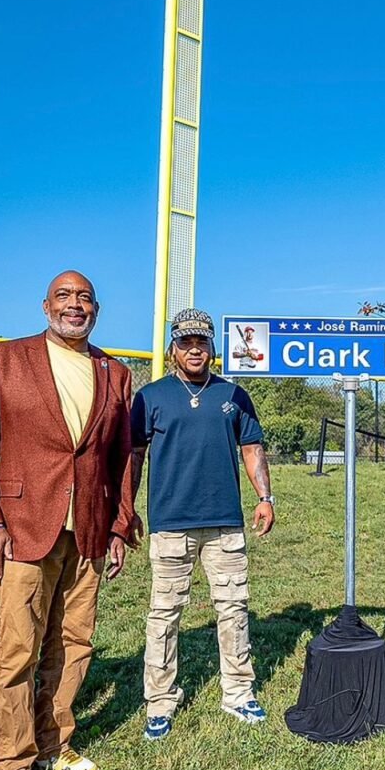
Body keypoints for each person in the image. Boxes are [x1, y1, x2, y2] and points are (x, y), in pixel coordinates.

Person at [0, 271, 134, 770]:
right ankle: (10, 768)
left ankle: (53, 744)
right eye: (64, 296)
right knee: (17, 650)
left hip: (87, 529)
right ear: (45, 305)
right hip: (23, 527)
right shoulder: (2, 361)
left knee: (73, 644)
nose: (75, 305)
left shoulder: (116, 372)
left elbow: (122, 460)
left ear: (96, 310)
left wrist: (118, 526)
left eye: (84, 297)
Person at [130, 309, 275, 741]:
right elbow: (134, 455)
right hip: (171, 522)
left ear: (212, 348)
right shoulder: (151, 396)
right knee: (164, 614)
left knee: (233, 610)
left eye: (201, 343)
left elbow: (252, 449)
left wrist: (265, 497)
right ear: (173, 348)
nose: (194, 350)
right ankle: (160, 701)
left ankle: (238, 691)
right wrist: (127, 506)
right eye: (185, 343)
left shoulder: (233, 395)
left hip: (225, 522)